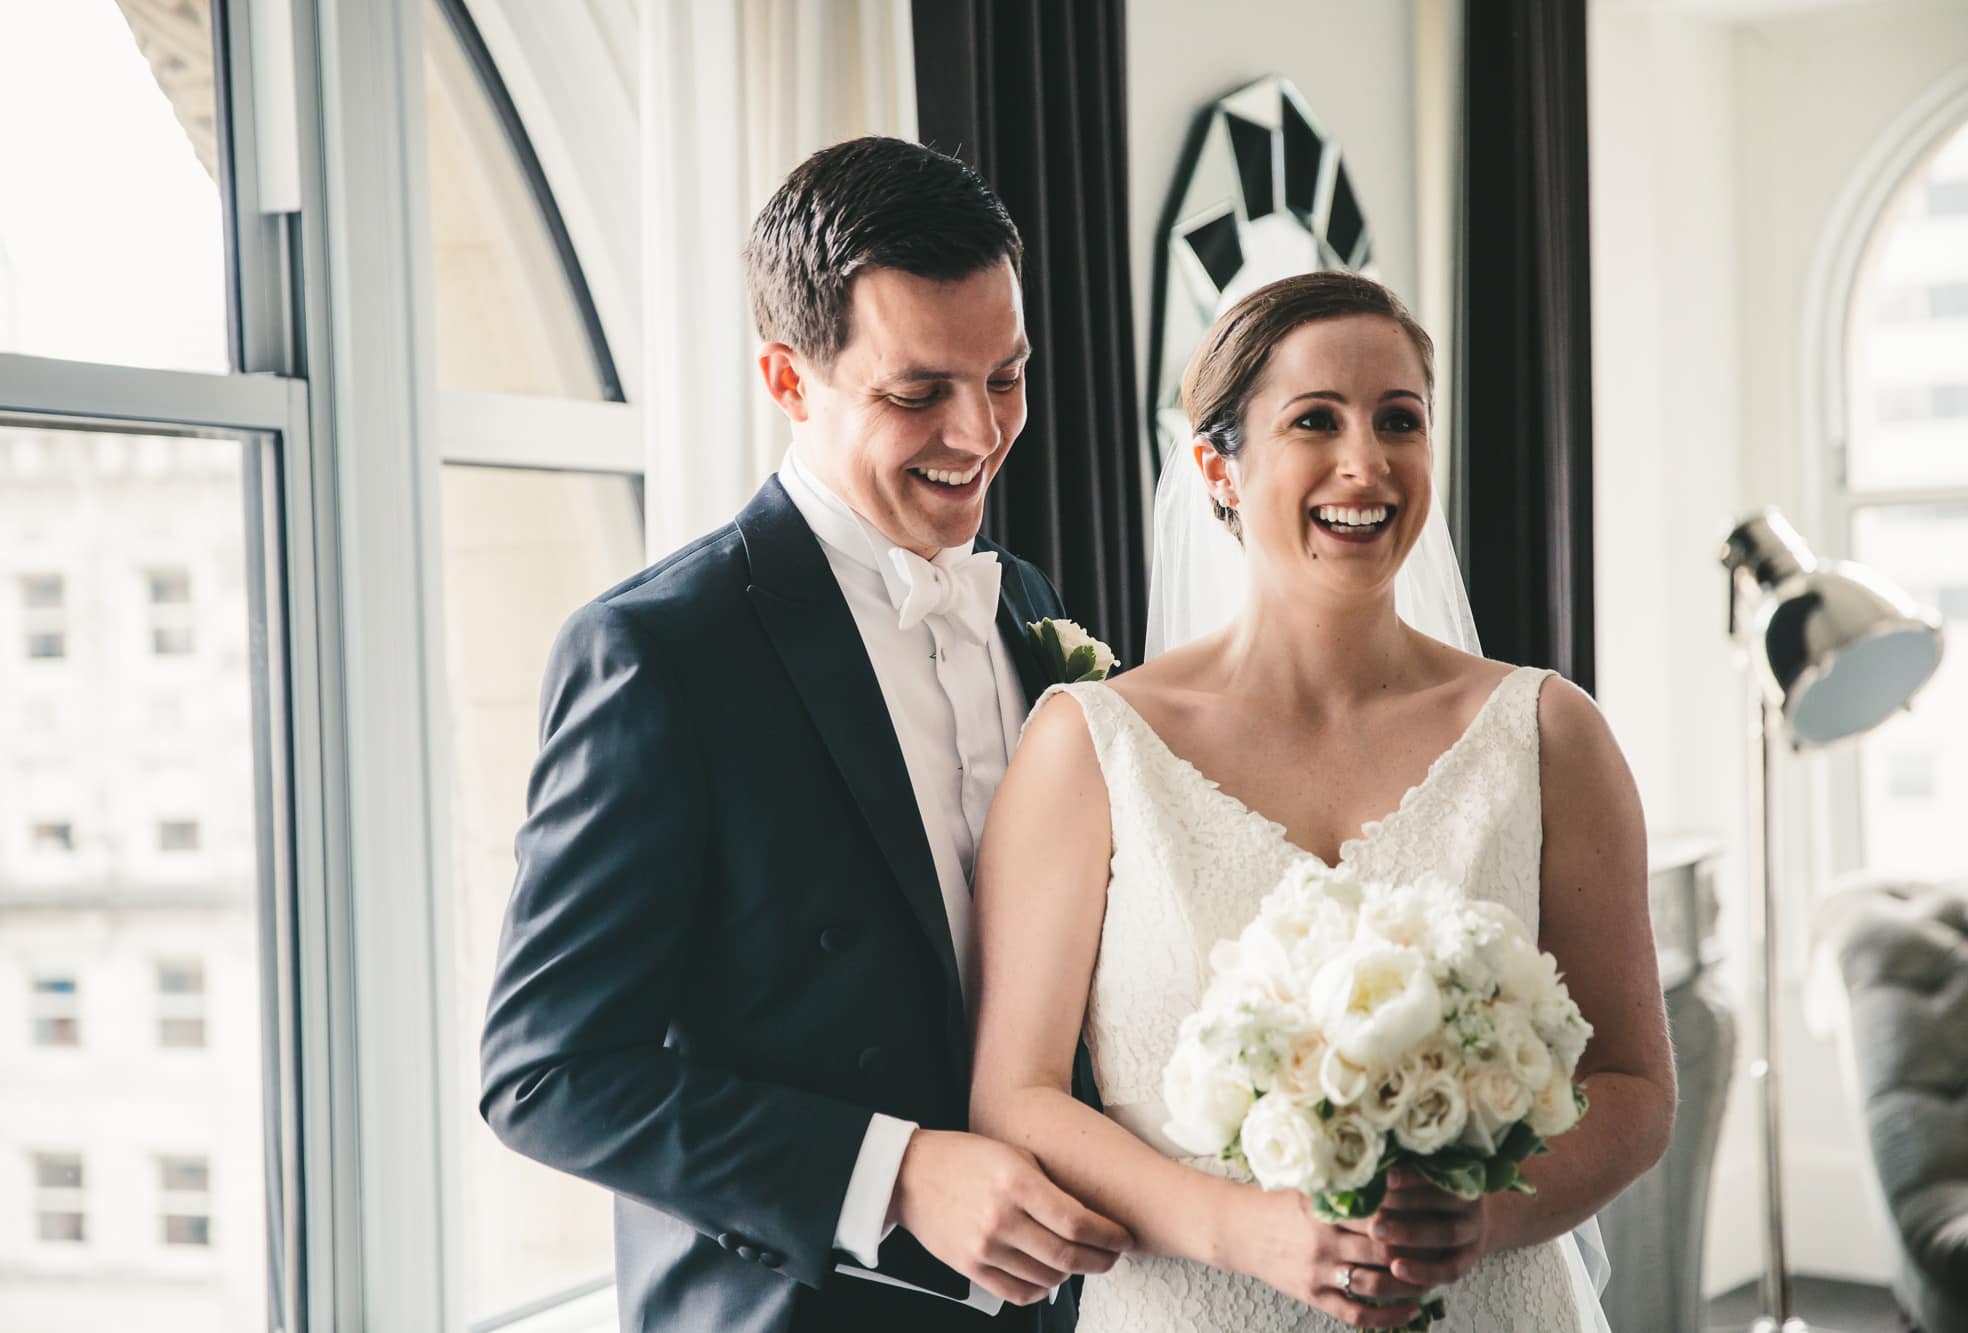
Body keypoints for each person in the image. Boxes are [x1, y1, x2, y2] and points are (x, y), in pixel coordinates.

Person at [478, 136, 1131, 1333]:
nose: (979, 432)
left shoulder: (1027, 602)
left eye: (1005, 376)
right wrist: (894, 1173)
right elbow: (547, 1073)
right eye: (916, 391)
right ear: (788, 379)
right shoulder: (657, 655)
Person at [968, 271, 1676, 1330]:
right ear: (1215, 467)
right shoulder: (1090, 745)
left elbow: (1631, 1083)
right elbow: (1013, 1096)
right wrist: (1237, 1228)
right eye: (1313, 420)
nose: (1366, 462)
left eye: (1400, 420)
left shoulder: (1546, 733)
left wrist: (1483, 1216)